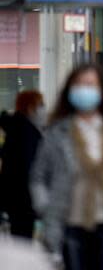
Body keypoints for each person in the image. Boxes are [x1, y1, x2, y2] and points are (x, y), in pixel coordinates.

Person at [30, 64, 103, 269]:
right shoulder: (57, 133)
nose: (85, 90)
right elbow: (38, 177)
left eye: (90, 85)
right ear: (70, 91)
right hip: (70, 224)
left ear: (101, 90)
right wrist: (45, 208)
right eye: (79, 85)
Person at [0, 91, 45, 238]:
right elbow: (28, 166)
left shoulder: (17, 128)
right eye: (41, 104)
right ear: (31, 106)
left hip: (16, 196)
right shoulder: (25, 131)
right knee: (23, 237)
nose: (43, 109)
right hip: (23, 197)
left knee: (20, 235)